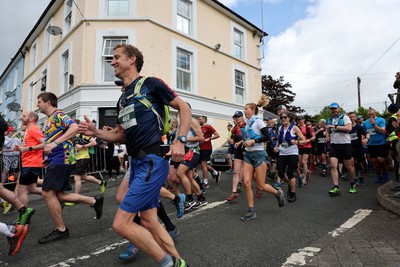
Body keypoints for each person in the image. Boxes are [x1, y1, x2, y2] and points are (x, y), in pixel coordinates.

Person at [78, 44, 191, 266]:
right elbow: (120, 135)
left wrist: (180, 140)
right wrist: (97, 132)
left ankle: (170, 264)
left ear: (132, 59)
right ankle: (179, 262)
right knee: (149, 221)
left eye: (116, 57)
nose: (112, 62)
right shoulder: (122, 100)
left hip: (151, 161)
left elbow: (184, 107)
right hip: (137, 163)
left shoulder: (151, 84)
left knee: (120, 224)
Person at [36, 92, 104, 244]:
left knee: (47, 193)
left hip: (62, 160)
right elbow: (50, 141)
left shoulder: (59, 115)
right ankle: (94, 200)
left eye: (39, 102)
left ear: (48, 102)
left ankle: (61, 230)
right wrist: (48, 156)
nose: (37, 105)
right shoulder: (49, 120)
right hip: (57, 159)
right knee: (59, 195)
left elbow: (73, 127)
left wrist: (54, 144)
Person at [239, 95, 286, 221]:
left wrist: (253, 141)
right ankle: (251, 210)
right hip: (248, 155)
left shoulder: (258, 121)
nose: (244, 111)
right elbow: (249, 138)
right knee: (246, 183)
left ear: (252, 110)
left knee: (260, 186)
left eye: (246, 109)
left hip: (259, 155)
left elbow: (267, 138)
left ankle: (277, 193)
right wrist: (243, 141)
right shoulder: (247, 124)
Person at [68, 119, 107, 199]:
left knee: (77, 177)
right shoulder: (73, 135)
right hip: (76, 158)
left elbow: (94, 142)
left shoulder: (84, 134)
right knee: (84, 176)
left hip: (83, 157)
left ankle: (76, 197)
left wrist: (82, 146)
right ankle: (101, 183)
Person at [274, 111, 306, 202]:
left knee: (290, 173)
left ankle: (293, 193)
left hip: (292, 152)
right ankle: (290, 183)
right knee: (280, 173)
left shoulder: (294, 128)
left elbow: (304, 140)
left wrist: (297, 142)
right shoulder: (280, 128)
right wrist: (276, 147)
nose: (283, 119)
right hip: (282, 152)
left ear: (289, 118)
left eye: (285, 117)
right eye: (281, 118)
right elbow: (279, 140)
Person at [325, 102, 356, 196]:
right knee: (333, 165)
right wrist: (327, 136)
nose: (334, 110)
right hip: (334, 145)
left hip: (345, 144)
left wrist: (334, 126)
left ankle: (352, 184)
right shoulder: (329, 119)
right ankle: (336, 187)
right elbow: (327, 128)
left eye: (335, 108)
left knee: (348, 166)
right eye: (332, 109)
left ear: (339, 109)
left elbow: (349, 128)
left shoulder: (345, 117)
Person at [14, 111, 44, 206]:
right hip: (30, 162)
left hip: (31, 163)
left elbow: (44, 144)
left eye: (24, 116)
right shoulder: (29, 130)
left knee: (21, 189)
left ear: (31, 119)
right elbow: (32, 145)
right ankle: (56, 197)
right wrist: (21, 147)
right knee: (32, 189)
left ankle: (24, 215)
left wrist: (28, 148)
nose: (21, 118)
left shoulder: (34, 129)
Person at [363, 107, 389, 183]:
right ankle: (378, 175)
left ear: (375, 113)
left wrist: (374, 123)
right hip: (371, 144)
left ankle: (384, 172)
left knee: (381, 160)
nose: (371, 116)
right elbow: (365, 133)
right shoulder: (365, 123)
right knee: (374, 161)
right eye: (369, 115)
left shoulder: (381, 120)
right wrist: (364, 139)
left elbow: (382, 131)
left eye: (372, 114)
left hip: (381, 143)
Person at [226, 111, 246, 202]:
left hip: (247, 151)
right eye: (235, 117)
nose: (237, 118)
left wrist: (241, 142)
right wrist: (231, 141)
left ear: (242, 117)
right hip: (238, 151)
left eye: (238, 117)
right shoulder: (234, 128)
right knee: (236, 171)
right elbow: (233, 139)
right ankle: (234, 192)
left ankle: (260, 187)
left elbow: (249, 138)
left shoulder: (247, 126)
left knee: (250, 173)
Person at [198, 115, 221, 188]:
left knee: (203, 164)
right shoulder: (199, 128)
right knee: (202, 165)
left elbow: (217, 135)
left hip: (206, 148)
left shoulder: (208, 127)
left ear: (204, 120)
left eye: (200, 119)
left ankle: (205, 182)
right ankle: (215, 172)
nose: (198, 120)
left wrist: (209, 138)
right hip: (200, 148)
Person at [348, 112, 369, 185]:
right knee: (352, 164)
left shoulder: (359, 126)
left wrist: (366, 139)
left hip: (359, 148)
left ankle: (362, 177)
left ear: (355, 118)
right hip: (349, 148)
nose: (351, 118)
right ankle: (354, 178)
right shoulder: (346, 127)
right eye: (350, 117)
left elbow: (366, 134)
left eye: (353, 117)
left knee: (361, 165)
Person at [295, 116, 315, 186]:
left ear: (303, 120)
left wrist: (308, 140)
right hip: (299, 146)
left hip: (307, 146)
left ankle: (305, 178)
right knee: (298, 163)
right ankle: (302, 175)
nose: (300, 121)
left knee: (304, 162)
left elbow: (314, 136)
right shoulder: (296, 128)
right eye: (298, 120)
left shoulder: (308, 128)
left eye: (301, 119)